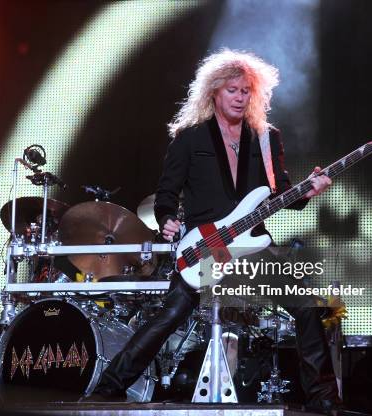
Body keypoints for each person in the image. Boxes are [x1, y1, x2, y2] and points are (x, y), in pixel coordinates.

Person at [89, 49, 339, 412]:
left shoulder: (267, 139)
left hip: (251, 251)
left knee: (306, 304)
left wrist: (310, 189)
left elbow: (285, 196)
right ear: (214, 93)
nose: (240, 98)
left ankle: (324, 401)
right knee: (170, 314)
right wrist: (166, 219)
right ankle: (108, 388)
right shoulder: (190, 138)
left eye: (246, 91)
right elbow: (167, 192)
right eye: (232, 90)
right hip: (206, 247)